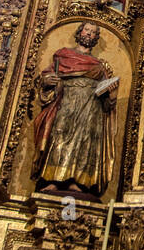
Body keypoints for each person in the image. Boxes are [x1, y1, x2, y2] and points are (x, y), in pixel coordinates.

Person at [32, 22, 118, 197]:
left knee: (85, 142)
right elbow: (46, 78)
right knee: (59, 136)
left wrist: (110, 93)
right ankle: (53, 180)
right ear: (80, 33)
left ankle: (78, 181)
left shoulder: (99, 66)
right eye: (87, 30)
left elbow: (107, 100)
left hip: (91, 108)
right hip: (67, 103)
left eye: (93, 32)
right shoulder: (64, 57)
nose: (89, 34)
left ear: (96, 39)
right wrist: (48, 81)